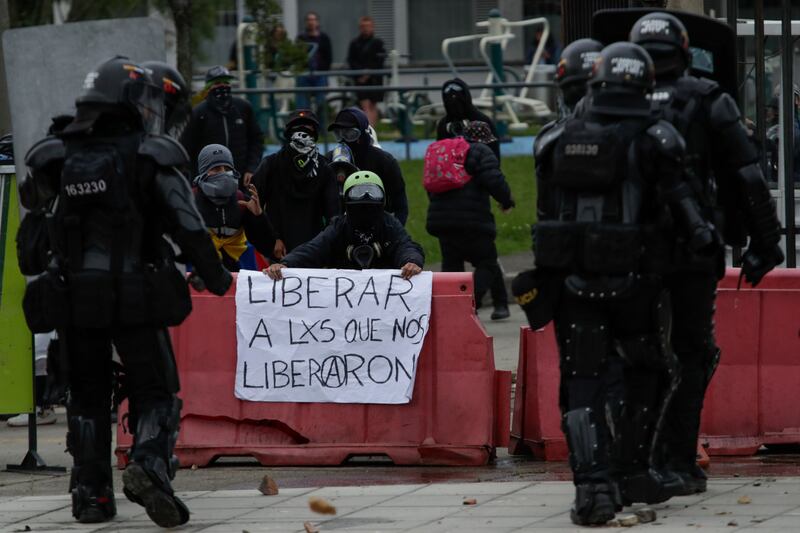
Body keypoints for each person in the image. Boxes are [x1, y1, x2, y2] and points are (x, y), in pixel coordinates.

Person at [19, 57, 232, 527]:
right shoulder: (151, 154)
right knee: (156, 391)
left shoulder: (54, 155)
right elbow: (191, 228)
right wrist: (217, 279)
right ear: (131, 101)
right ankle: (150, 465)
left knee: (87, 394)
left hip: (73, 297)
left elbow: (28, 247)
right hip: (136, 292)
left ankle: (91, 495)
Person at [523, 42, 718, 524]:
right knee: (648, 373)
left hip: (574, 285)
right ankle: (631, 471)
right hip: (637, 283)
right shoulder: (658, 136)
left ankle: (593, 488)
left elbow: (547, 215)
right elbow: (686, 215)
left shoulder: (553, 139)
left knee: (582, 383)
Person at [630, 12, 784, 495]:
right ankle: (676, 460)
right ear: (684, 50)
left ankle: (634, 459)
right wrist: (766, 242)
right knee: (692, 352)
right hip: (690, 247)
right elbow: (747, 175)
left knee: (632, 354)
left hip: (625, 250)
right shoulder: (706, 98)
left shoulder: (609, 101)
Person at [426, 120, 515, 320]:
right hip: (473, 221)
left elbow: (430, 185)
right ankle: (470, 302)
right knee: (488, 263)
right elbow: (494, 180)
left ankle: (453, 313)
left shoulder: (445, 153)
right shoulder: (480, 151)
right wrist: (507, 201)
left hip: (442, 221)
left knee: (452, 268)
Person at [265, 171, 423, 279]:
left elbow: (405, 246)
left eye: (371, 192)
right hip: (344, 301)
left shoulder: (389, 224)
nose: (365, 198)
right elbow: (314, 249)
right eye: (358, 193)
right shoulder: (339, 227)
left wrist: (411, 261)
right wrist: (286, 264)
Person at [252, 109, 339, 261]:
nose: (302, 134)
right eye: (297, 129)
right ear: (288, 134)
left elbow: (333, 216)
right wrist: (271, 240)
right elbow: (253, 208)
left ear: (315, 135)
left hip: (314, 252)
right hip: (277, 252)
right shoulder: (270, 165)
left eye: (307, 130)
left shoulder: (325, 168)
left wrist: (322, 247)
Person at [193, 144, 276, 271]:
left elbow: (267, 247)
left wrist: (259, 217)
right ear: (204, 172)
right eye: (216, 169)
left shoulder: (242, 201)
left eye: (227, 169)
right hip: (197, 272)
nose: (223, 174)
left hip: (238, 271)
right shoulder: (190, 200)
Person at [181, 65, 264, 185]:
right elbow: (187, 147)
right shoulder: (199, 113)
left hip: (240, 177)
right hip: (209, 180)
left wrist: (251, 168)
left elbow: (256, 140)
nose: (222, 86)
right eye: (217, 83)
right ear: (209, 87)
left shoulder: (243, 108)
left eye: (226, 82)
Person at [327, 106, 408, 224]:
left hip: (378, 228)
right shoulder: (330, 161)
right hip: (341, 230)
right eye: (339, 134)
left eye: (350, 134)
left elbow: (400, 204)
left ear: (363, 134)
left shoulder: (384, 161)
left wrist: (394, 233)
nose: (344, 139)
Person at [436, 78, 500, 160]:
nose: (454, 103)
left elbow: (493, 154)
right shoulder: (443, 125)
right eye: (449, 100)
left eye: (458, 100)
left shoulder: (482, 121)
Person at [347, 16, 386, 126]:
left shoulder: (378, 43)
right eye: (363, 27)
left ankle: (372, 130)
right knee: (365, 105)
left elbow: (380, 60)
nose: (366, 29)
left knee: (373, 105)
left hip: (374, 79)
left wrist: (369, 72)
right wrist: (360, 73)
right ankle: (367, 130)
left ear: (373, 27)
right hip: (360, 79)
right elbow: (351, 60)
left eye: (368, 26)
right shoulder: (354, 43)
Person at [296, 11, 333, 113]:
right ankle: (304, 126)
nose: (311, 22)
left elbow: (328, 58)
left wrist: (325, 73)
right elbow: (297, 57)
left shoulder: (324, 38)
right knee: (302, 105)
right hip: (304, 74)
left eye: (313, 20)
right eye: (309, 20)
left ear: (317, 22)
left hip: (320, 75)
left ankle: (320, 127)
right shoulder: (301, 38)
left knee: (321, 105)